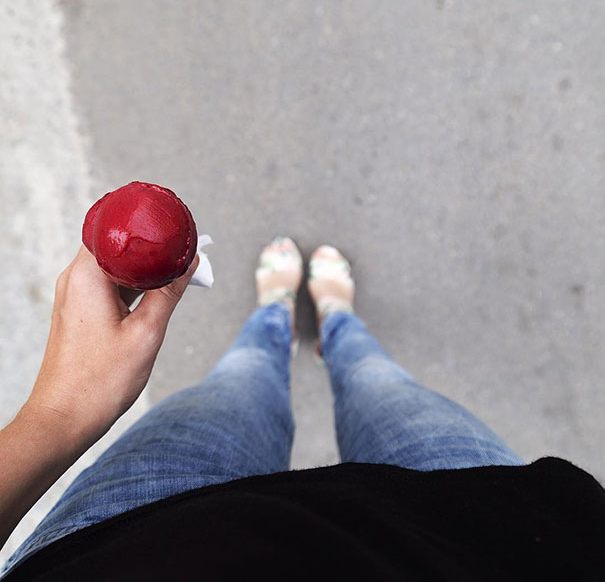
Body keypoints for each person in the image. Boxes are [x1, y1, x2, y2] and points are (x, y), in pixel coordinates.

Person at [0, 237, 603, 580]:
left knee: (242, 384)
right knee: (380, 384)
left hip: (135, 537)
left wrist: (57, 415)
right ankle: (335, 323)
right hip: (485, 541)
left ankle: (279, 321)